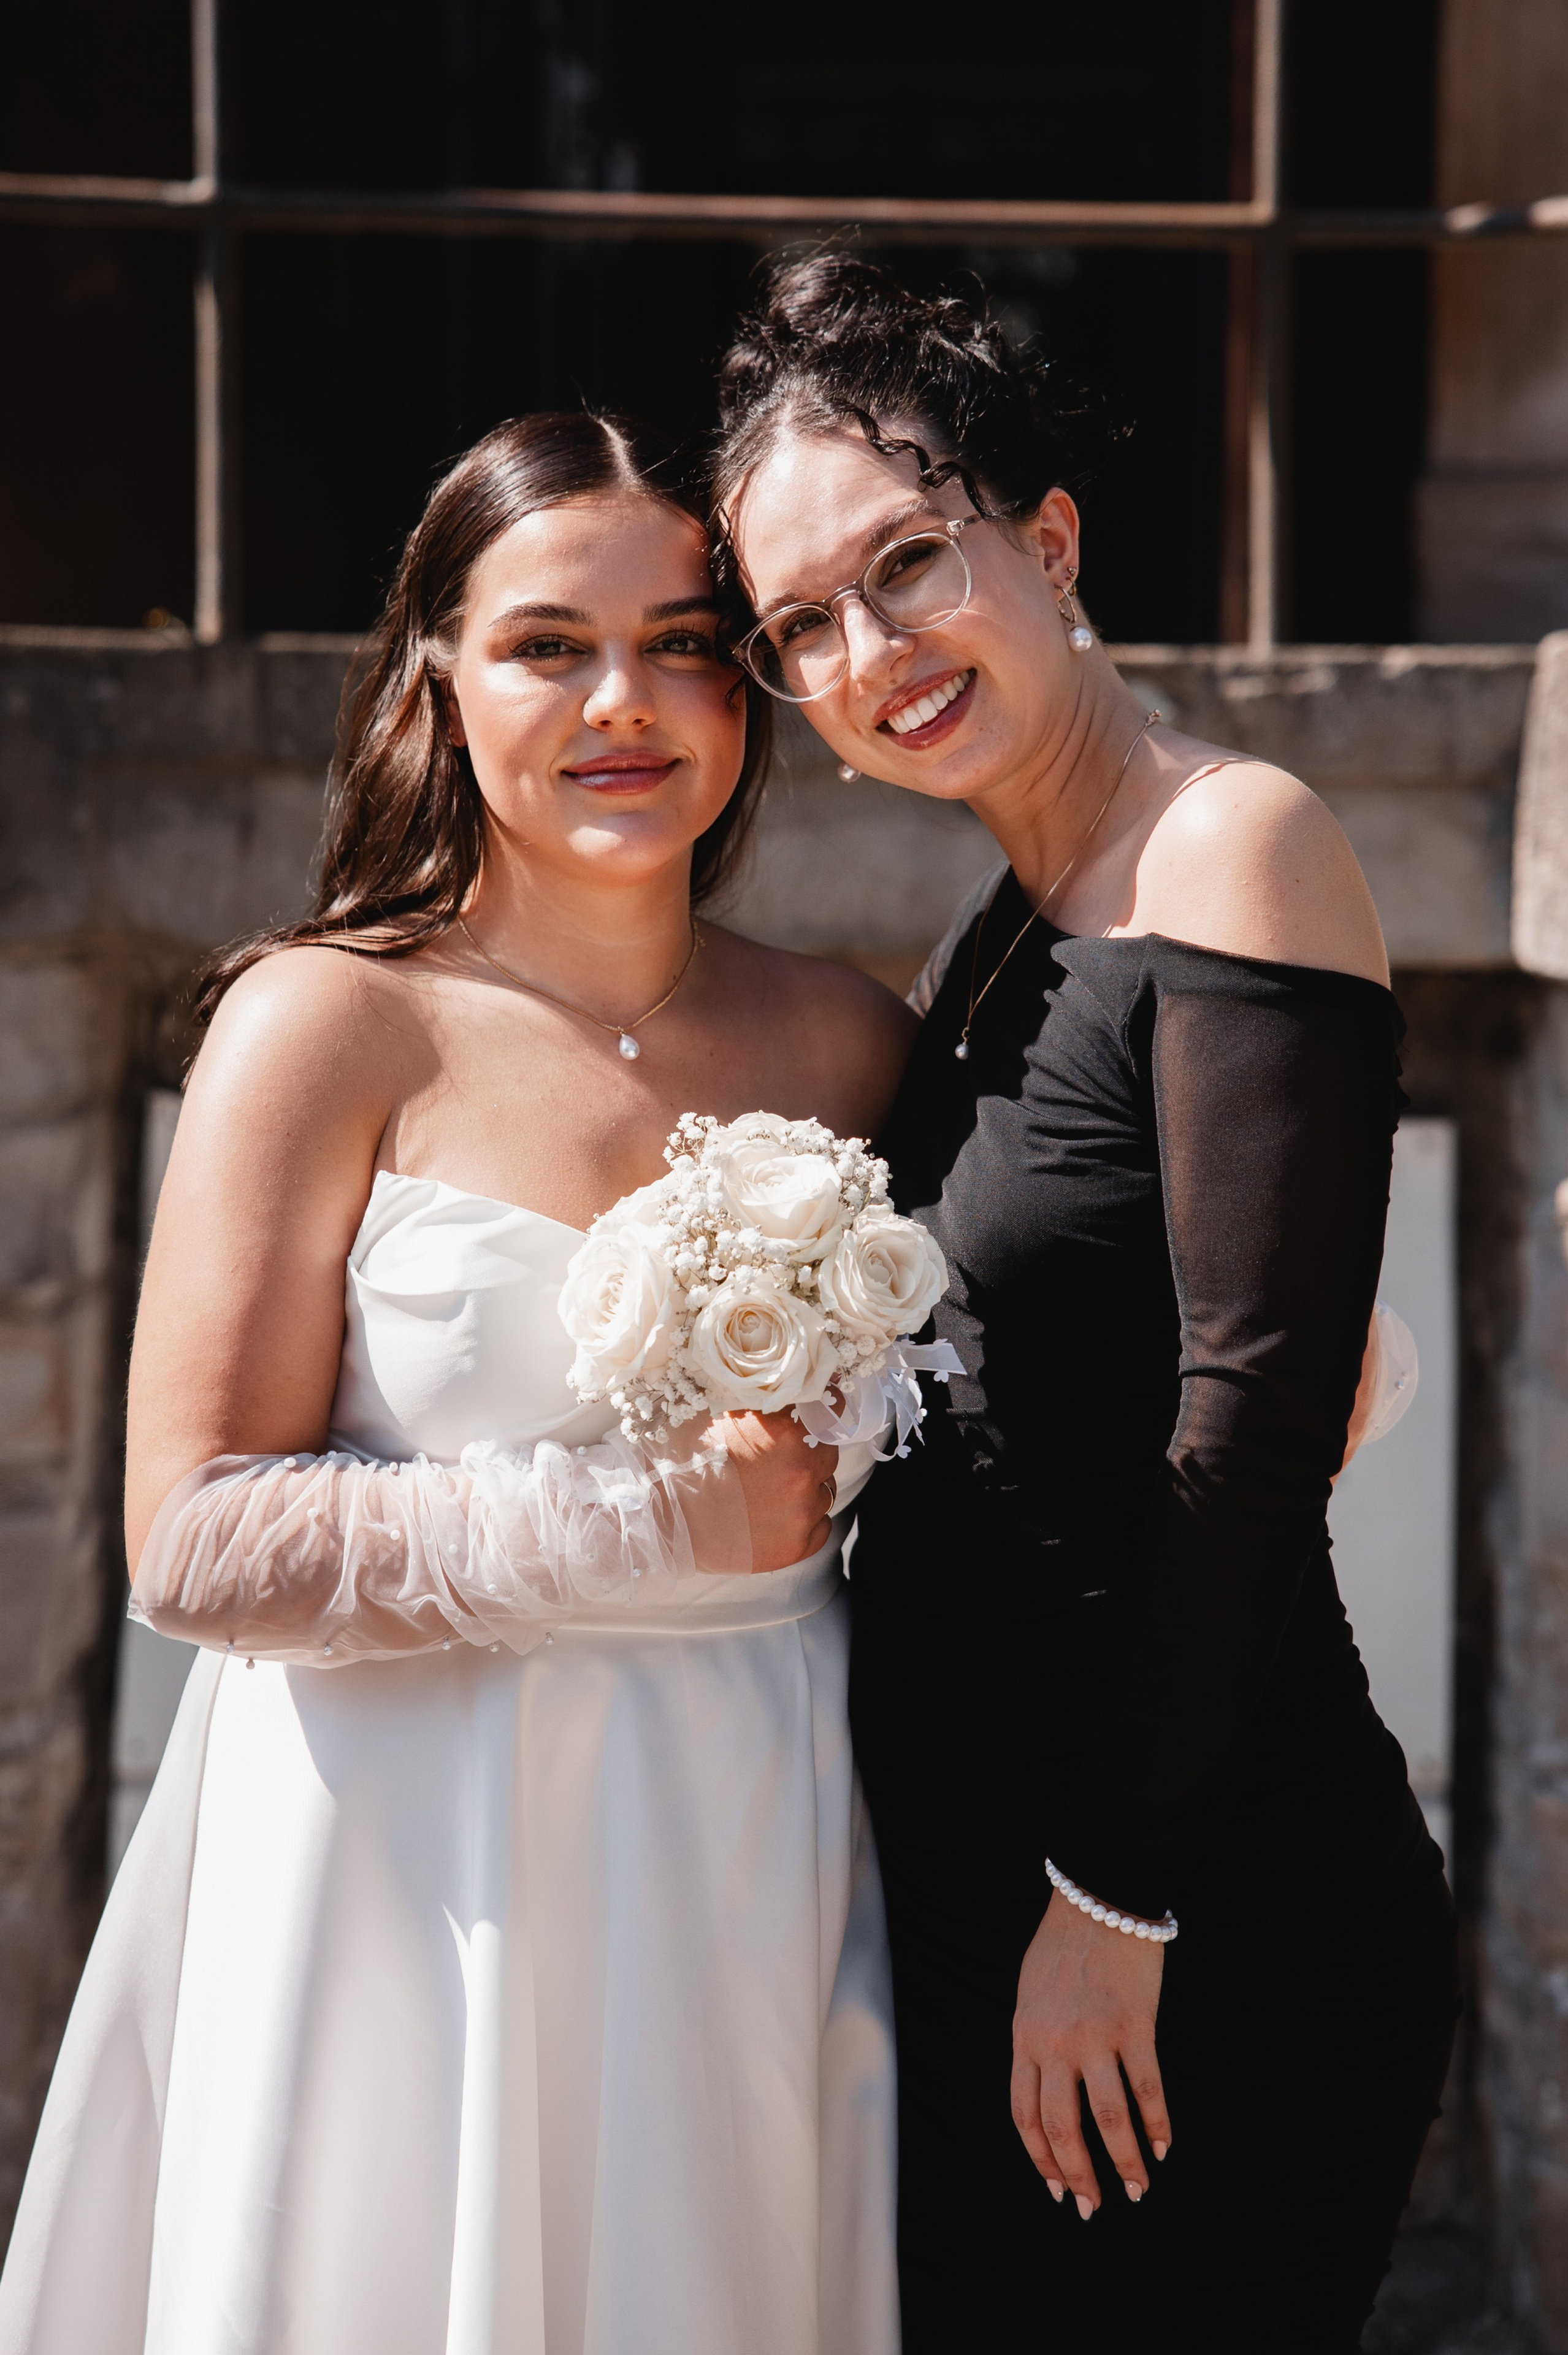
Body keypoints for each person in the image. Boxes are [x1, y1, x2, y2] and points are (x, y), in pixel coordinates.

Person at [0, 412, 915, 2355]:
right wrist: (655, 1519)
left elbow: (1006, 1401)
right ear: (439, 674)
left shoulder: (852, 1039)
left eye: (684, 642)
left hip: (738, 1852)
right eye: (547, 644)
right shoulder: (330, 1021)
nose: (626, 702)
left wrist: (1321, 1362)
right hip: (398, 1872)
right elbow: (190, 1540)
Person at [714, 255, 1459, 2353]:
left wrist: (1115, 1899)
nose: (868, 650)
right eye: (803, 626)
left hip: (1193, 1926)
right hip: (994, 1911)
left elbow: (1253, 1419)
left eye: (909, 564)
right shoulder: (1006, 926)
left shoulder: (1236, 849)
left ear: (1046, 546)